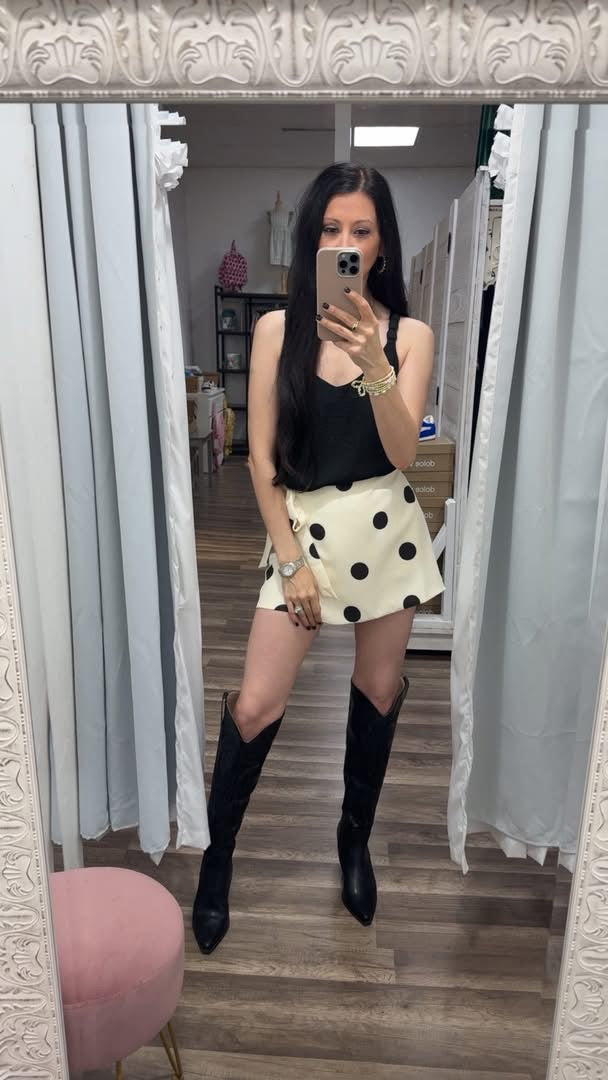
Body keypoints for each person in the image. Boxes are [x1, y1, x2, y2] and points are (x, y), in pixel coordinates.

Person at [192, 163, 445, 955]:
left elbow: (403, 454)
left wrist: (375, 364)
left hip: (385, 527)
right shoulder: (277, 331)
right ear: (311, 242)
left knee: (378, 692)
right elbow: (261, 457)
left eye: (361, 230)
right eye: (332, 229)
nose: (346, 243)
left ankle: (353, 840)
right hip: (302, 531)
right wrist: (290, 559)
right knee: (256, 704)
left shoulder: (410, 338)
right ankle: (218, 857)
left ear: (382, 245)